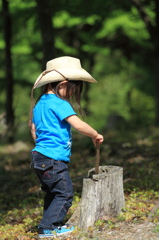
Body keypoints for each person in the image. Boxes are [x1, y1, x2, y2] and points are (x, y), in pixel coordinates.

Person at [29, 56, 104, 238]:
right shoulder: (59, 104)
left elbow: (33, 128)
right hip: (53, 158)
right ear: (62, 84)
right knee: (65, 193)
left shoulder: (40, 104)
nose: (71, 95)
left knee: (52, 193)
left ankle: (51, 224)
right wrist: (95, 134)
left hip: (39, 156)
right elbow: (78, 124)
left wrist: (42, 146)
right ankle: (47, 228)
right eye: (72, 90)